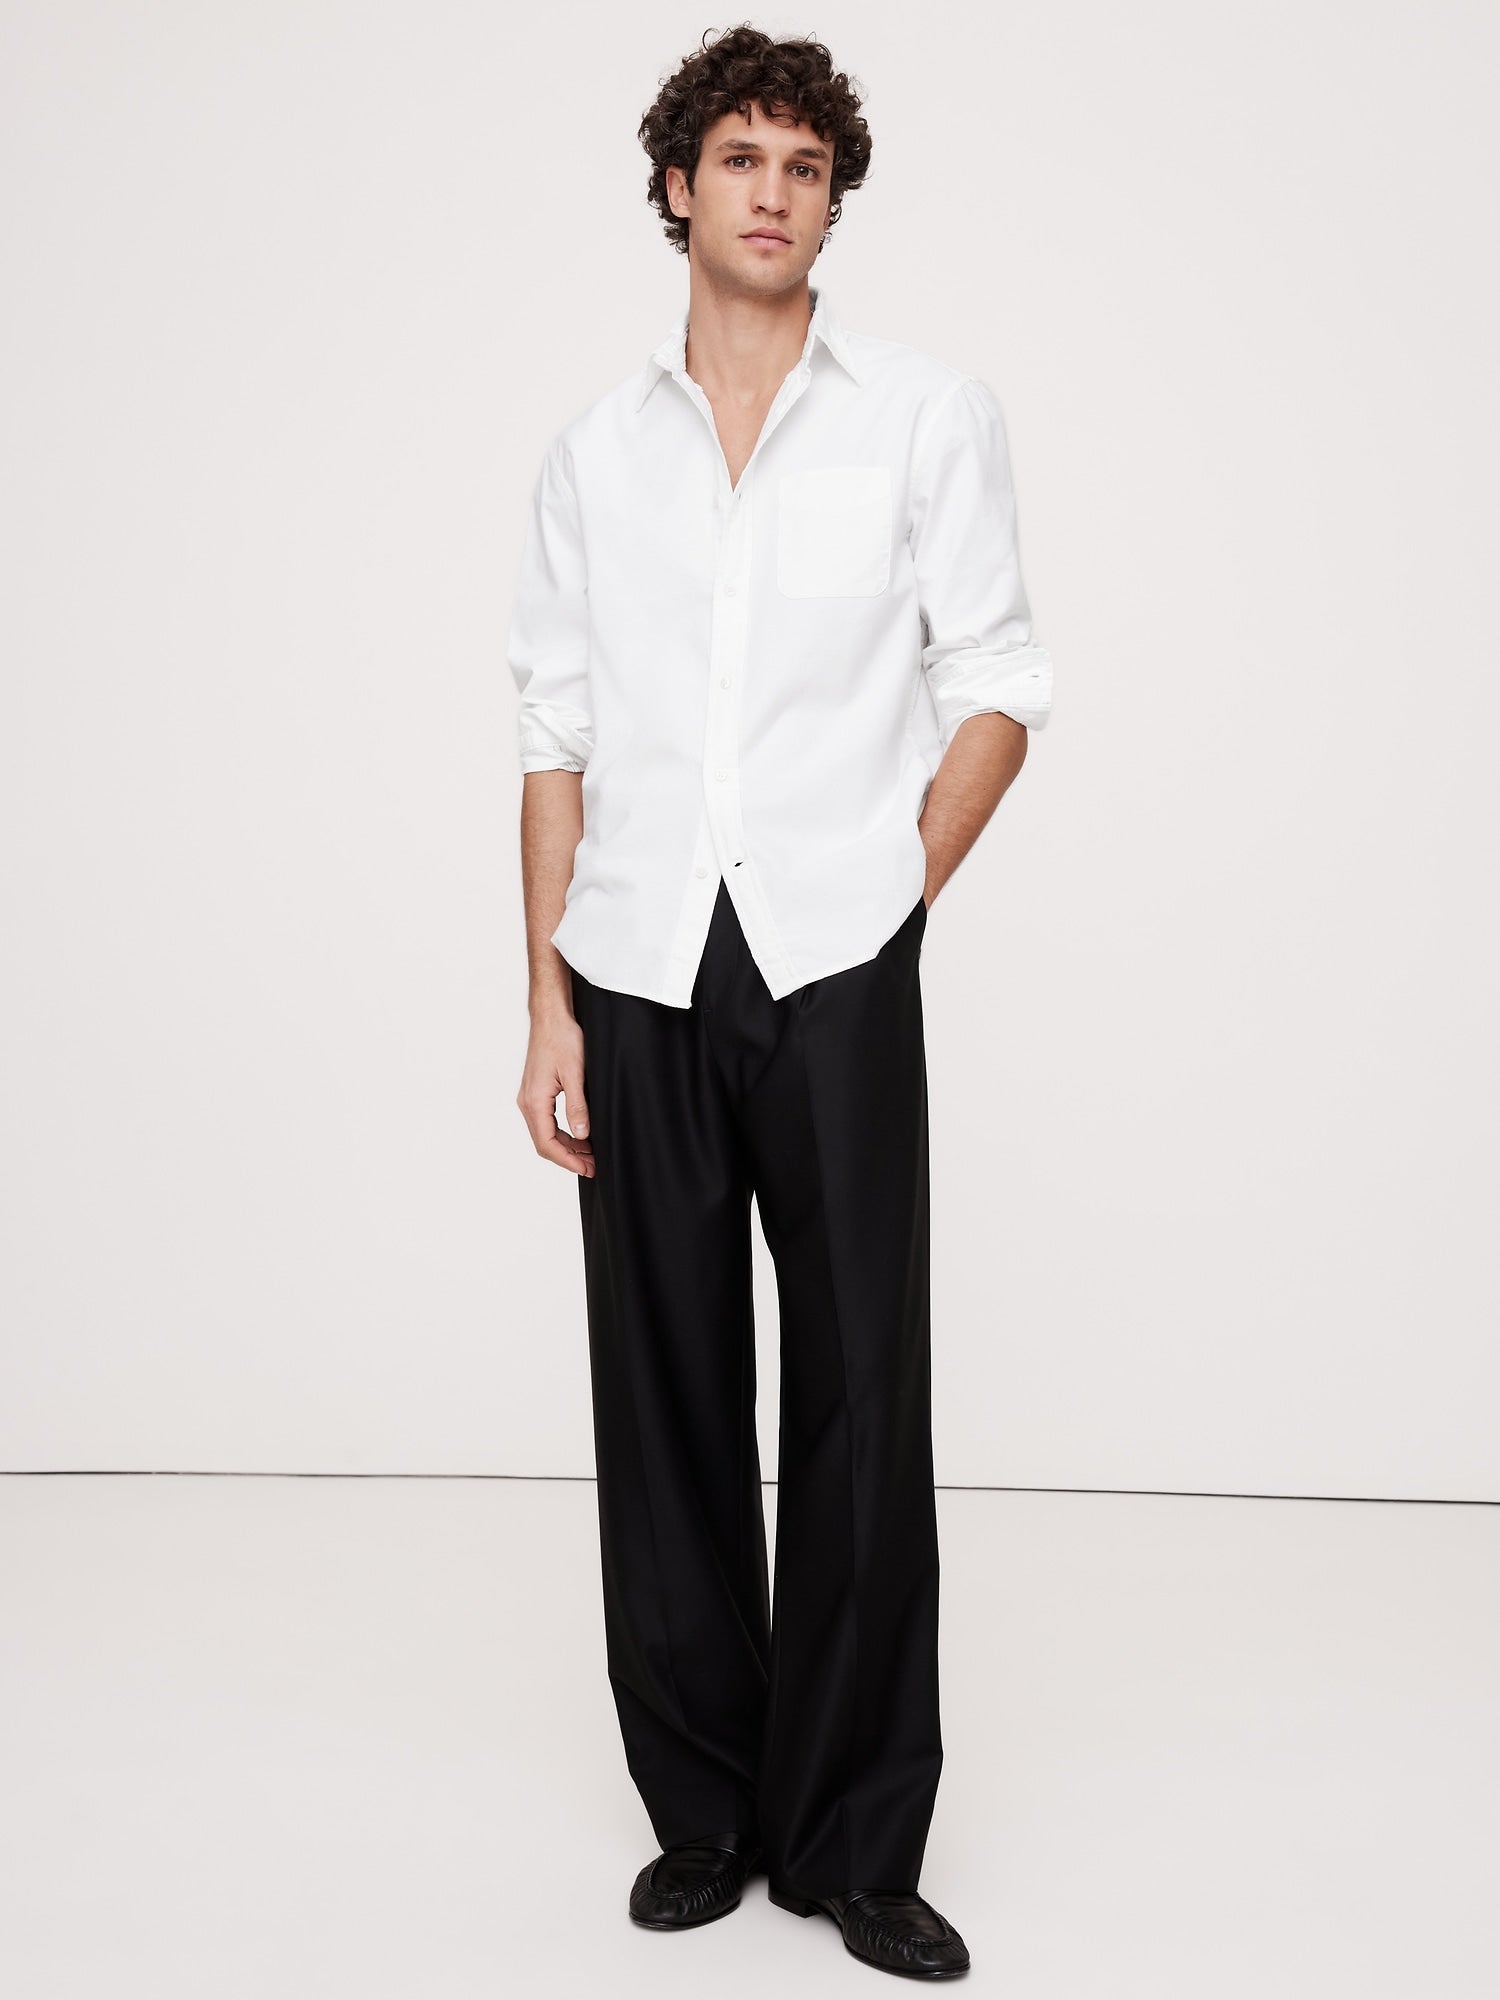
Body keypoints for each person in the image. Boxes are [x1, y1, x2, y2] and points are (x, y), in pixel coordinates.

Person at [507, 24, 1051, 1981]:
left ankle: (854, 1835)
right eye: (738, 157)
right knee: (660, 1393)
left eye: (803, 166)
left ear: (832, 202)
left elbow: (999, 682)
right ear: (677, 187)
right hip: (636, 964)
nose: (770, 191)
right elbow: (554, 736)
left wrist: (894, 891)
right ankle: (710, 1810)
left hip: (832, 957)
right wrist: (548, 1004)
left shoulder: (924, 417)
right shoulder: (596, 455)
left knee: (860, 1396)